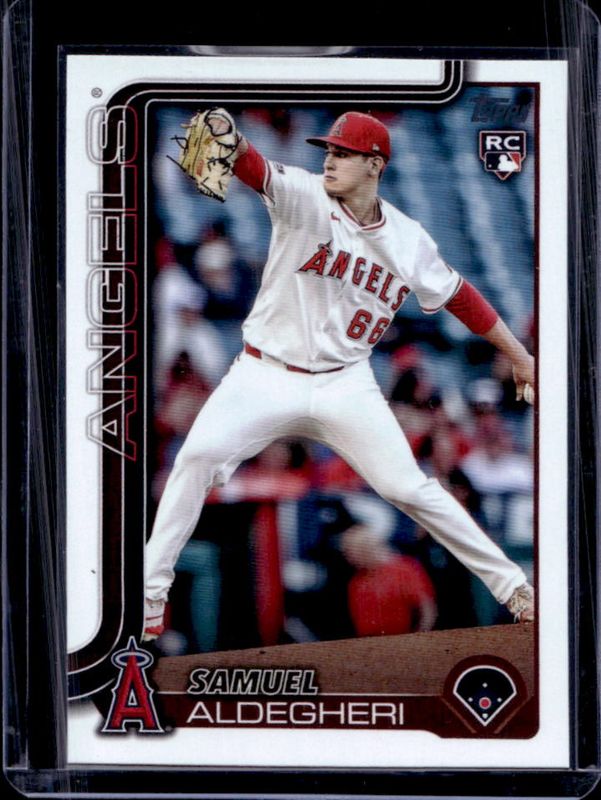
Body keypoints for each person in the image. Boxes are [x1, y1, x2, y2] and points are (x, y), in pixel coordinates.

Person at [143, 110, 535, 641]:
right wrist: (231, 141)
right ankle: (150, 593)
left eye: (343, 153)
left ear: (375, 164)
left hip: (344, 383)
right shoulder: (303, 194)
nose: (329, 160)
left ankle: (514, 588)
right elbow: (255, 167)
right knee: (196, 460)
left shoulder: (408, 238)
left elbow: (461, 297)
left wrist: (518, 355)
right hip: (264, 372)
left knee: (410, 487)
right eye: (328, 151)